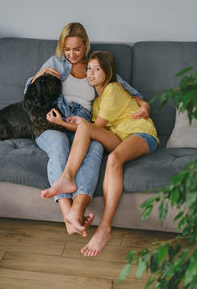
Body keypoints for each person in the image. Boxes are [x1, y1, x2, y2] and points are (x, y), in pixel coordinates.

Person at [25, 22, 150, 237]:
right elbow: (30, 92)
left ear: (86, 45)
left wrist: (145, 105)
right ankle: (68, 215)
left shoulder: (95, 65)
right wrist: (37, 77)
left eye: (77, 49)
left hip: (84, 123)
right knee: (59, 145)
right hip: (54, 119)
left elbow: (127, 91)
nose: (71, 55)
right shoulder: (56, 63)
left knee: (95, 148)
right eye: (67, 49)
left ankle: (78, 209)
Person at [43, 50, 159, 256]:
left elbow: (97, 126)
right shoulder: (97, 102)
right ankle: (67, 178)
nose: (91, 73)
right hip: (118, 137)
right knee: (86, 128)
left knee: (114, 158)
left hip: (140, 134)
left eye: (97, 69)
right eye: (89, 69)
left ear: (108, 72)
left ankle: (105, 228)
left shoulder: (113, 89)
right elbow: (93, 128)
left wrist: (62, 123)